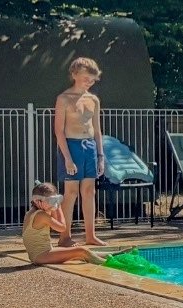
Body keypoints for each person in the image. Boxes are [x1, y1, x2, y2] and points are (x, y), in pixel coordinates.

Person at [54, 57, 107, 247]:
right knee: (71, 192)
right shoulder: (63, 99)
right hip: (71, 146)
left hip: (90, 146)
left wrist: (101, 156)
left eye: (92, 80)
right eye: (86, 78)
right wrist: (67, 158)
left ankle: (90, 236)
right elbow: (59, 131)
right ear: (74, 75)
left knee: (89, 191)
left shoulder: (93, 100)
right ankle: (64, 236)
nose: (89, 83)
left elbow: (97, 129)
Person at [22, 183, 115, 265]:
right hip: (41, 256)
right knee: (81, 251)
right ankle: (108, 263)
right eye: (51, 201)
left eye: (56, 200)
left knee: (80, 252)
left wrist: (53, 206)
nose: (53, 204)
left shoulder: (31, 213)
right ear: (37, 201)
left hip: (42, 254)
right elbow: (62, 228)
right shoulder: (41, 215)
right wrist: (58, 207)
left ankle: (112, 255)